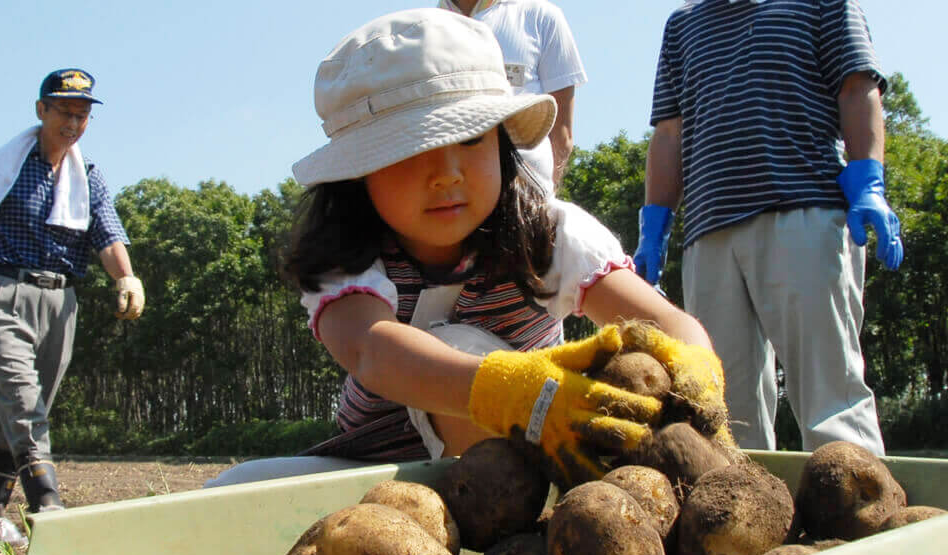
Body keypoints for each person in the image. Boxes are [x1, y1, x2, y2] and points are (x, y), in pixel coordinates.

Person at [209, 9, 728, 489]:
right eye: (413, 149)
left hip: (534, 472)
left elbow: (665, 324)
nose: (447, 174)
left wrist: (696, 365)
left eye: (471, 139)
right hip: (380, 477)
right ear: (355, 175)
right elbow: (372, 349)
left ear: (503, 146)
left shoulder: (549, 235)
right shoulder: (348, 257)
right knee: (229, 491)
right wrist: (510, 389)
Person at [633, 0, 902, 455]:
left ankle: (865, 517)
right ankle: (746, 518)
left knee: (830, 398)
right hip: (709, 235)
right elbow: (669, 133)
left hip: (805, 216)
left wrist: (867, 180)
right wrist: (654, 225)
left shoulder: (825, 4)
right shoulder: (682, 25)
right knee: (724, 417)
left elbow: (857, 89)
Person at [0, 68, 145, 542]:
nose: (73, 122)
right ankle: (49, 510)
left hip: (60, 305)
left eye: (82, 114)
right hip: (4, 295)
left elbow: (106, 234)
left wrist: (126, 275)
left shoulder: (86, 176)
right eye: (64, 110)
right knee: (26, 406)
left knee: (24, 410)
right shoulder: (3, 165)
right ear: (41, 110)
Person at [439, 0, 587, 192]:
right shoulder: (421, 31)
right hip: (454, 197)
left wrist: (544, 197)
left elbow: (562, 134)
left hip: (527, 196)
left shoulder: (541, 16)